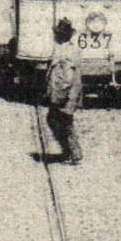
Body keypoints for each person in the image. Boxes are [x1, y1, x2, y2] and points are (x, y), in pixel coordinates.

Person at [44, 19, 84, 165]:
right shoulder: (70, 48)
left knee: (63, 122)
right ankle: (70, 152)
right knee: (59, 120)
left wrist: (60, 95)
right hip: (68, 92)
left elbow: (67, 77)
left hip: (65, 94)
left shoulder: (64, 52)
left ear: (60, 36)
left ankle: (73, 153)